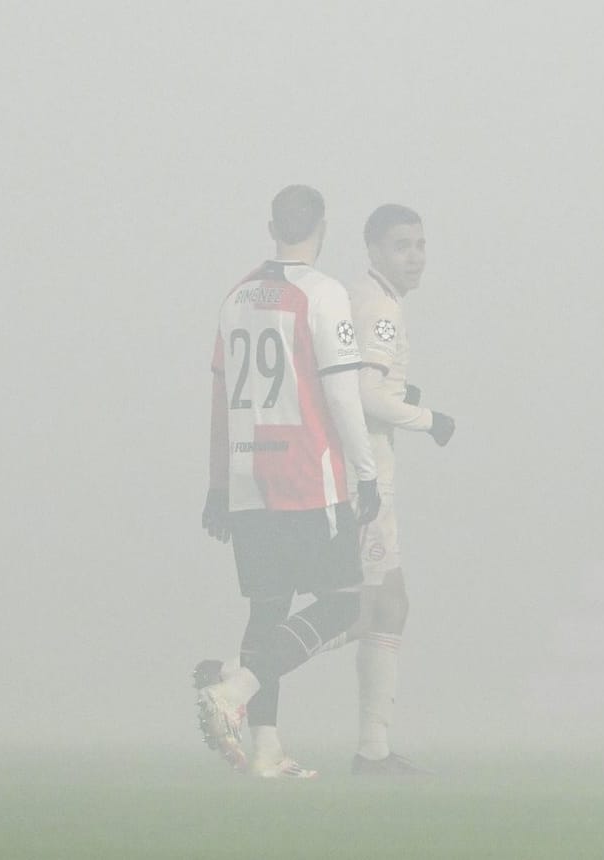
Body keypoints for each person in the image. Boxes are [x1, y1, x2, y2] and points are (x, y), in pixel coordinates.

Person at [197, 185, 381, 778]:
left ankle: (266, 750)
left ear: (269, 224)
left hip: (250, 477)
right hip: (307, 475)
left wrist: (218, 487)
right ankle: (235, 686)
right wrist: (367, 470)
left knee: (268, 610)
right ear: (322, 227)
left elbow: (221, 402)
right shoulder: (324, 295)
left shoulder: (235, 297)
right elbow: (341, 393)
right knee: (345, 606)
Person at [341, 204, 454, 775]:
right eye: (402, 245)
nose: (415, 256)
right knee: (362, 609)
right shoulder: (381, 307)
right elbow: (366, 394)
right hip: (366, 474)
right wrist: (429, 418)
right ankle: (241, 679)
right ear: (374, 249)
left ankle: (374, 750)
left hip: (360, 468)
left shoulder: (362, 295)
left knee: (389, 605)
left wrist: (403, 393)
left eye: (421, 244)